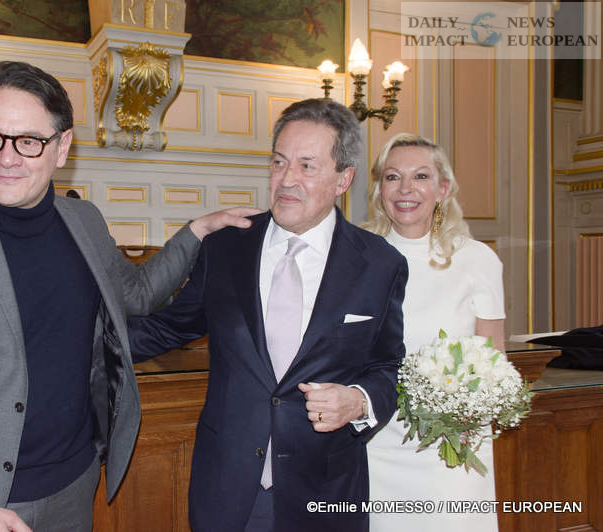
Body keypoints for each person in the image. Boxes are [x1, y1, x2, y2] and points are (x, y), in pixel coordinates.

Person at [0, 60, 257, 532]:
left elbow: (137, 293)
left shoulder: (84, 221)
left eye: (28, 141)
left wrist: (198, 230)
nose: (6, 158)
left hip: (74, 485)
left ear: (62, 146)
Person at [127, 98, 408, 532]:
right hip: (229, 490)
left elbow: (387, 367)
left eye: (307, 166)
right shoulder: (226, 247)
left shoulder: (380, 264)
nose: (287, 180)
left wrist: (359, 401)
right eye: (279, 162)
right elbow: (168, 328)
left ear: (343, 179)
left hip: (326, 490)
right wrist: (74, 341)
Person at [363, 133, 506, 532]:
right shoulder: (358, 257)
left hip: (452, 446)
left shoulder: (477, 260)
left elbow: (493, 359)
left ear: (443, 189)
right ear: (380, 190)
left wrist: (467, 415)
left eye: (421, 176)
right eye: (393, 177)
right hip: (377, 444)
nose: (405, 189)